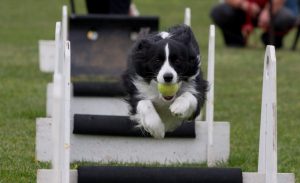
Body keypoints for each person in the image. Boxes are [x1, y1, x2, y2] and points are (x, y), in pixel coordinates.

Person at [210, 0, 298, 48]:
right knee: (220, 12)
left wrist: (267, 12)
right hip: (241, 10)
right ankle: (235, 41)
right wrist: (243, 4)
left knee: (286, 17)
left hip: (268, 9)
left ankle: (272, 41)